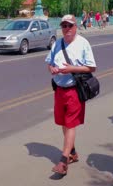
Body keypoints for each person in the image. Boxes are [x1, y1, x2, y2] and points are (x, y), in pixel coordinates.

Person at [45, 14, 96, 175]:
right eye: (64, 26)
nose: (67, 29)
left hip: (75, 89)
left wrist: (71, 69)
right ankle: (72, 152)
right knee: (63, 122)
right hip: (59, 89)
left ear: (75, 27)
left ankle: (63, 160)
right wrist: (52, 69)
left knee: (70, 123)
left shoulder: (83, 43)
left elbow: (91, 68)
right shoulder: (58, 43)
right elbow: (49, 62)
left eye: (70, 26)